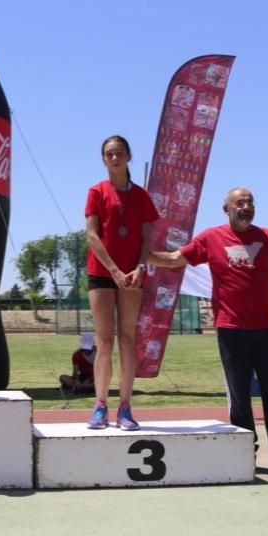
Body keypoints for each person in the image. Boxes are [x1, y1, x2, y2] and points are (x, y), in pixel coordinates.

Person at [148, 187, 268, 474]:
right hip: (231, 330)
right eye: (240, 203)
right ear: (227, 209)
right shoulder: (210, 238)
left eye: (250, 202)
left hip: (267, 330)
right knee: (239, 396)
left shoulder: (267, 237)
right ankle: (243, 451)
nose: (246, 207)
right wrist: (140, 256)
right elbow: (175, 260)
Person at [84, 135, 160, 430]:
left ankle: (125, 407)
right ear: (103, 160)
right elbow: (92, 235)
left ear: (128, 157)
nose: (114, 158)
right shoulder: (96, 191)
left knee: (127, 339)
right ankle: (100, 405)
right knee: (104, 340)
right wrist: (114, 269)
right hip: (103, 272)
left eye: (119, 153)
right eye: (108, 154)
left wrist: (140, 267)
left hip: (133, 274)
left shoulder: (141, 195)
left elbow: (146, 237)